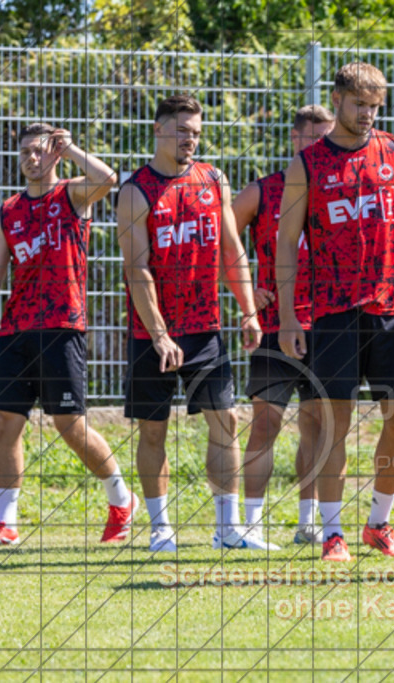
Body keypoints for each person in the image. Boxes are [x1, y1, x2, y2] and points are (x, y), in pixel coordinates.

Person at [0, 123, 135, 546]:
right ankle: (5, 524)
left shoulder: (73, 194)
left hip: (62, 327)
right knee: (5, 423)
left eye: (39, 150)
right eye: (25, 152)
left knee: (69, 425)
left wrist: (70, 148)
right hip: (15, 329)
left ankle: (121, 499)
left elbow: (107, 179)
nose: (32, 158)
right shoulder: (9, 210)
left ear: (53, 153)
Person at [277, 63, 394, 562]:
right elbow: (287, 244)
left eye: (375, 106)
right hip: (334, 312)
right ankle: (333, 534)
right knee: (334, 424)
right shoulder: (308, 164)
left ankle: (379, 522)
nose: (368, 114)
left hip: (393, 307)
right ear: (336, 100)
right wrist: (289, 318)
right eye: (360, 104)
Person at [116, 94, 265, 552]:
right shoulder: (135, 191)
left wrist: (248, 309)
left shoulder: (212, 179)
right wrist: (160, 335)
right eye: (182, 131)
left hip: (204, 327)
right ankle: (160, 528)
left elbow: (231, 250)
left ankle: (228, 529)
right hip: (151, 332)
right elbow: (137, 269)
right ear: (159, 130)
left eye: (196, 133)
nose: (190, 140)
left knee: (226, 419)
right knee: (153, 429)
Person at [232, 104, 335, 546]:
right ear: (295, 139)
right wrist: (245, 292)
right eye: (315, 139)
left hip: (328, 324)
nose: (323, 147)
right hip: (276, 324)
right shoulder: (264, 191)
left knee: (317, 426)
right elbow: (220, 239)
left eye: (328, 138)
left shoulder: (339, 188)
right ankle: (251, 524)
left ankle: (308, 523)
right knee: (265, 424)